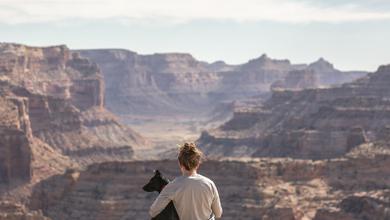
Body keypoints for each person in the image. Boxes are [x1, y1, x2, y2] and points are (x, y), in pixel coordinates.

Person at [149, 142, 223, 220]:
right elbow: (218, 213)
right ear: (198, 164)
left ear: (180, 164)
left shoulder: (173, 186)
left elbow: (153, 211)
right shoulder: (210, 184)